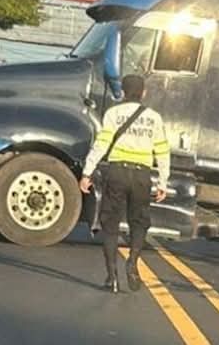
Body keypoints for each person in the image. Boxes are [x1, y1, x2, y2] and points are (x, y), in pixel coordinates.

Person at [80, 74, 170, 293]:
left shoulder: (113, 113)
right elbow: (162, 151)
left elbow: (101, 145)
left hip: (117, 173)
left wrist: (87, 172)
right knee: (139, 222)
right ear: (143, 93)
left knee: (110, 224)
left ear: (122, 92)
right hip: (142, 176)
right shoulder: (154, 118)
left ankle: (112, 278)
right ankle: (133, 261)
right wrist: (163, 182)